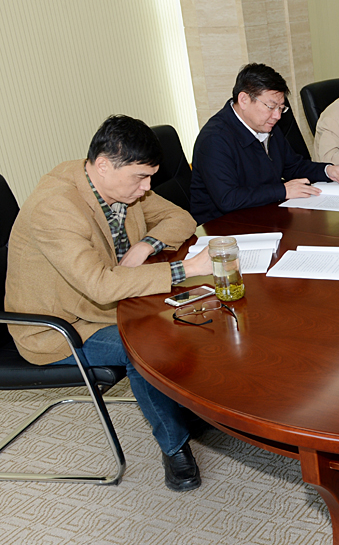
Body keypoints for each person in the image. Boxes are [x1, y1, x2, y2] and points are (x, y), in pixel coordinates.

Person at [5, 116, 215, 491]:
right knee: (146, 346)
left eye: (150, 177)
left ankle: (186, 405)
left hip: (108, 302)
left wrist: (146, 245)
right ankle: (175, 447)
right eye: (141, 178)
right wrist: (185, 269)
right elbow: (100, 286)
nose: (147, 187)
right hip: (60, 326)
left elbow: (179, 217)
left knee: (196, 312)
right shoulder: (56, 207)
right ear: (103, 165)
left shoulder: (118, 186)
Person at [189, 63, 339, 225]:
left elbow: (293, 166)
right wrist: (283, 190)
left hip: (263, 215)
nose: (277, 116)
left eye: (281, 108)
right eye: (271, 107)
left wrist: (328, 170)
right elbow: (228, 199)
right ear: (244, 99)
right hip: (222, 228)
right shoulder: (214, 139)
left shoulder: (266, 125)